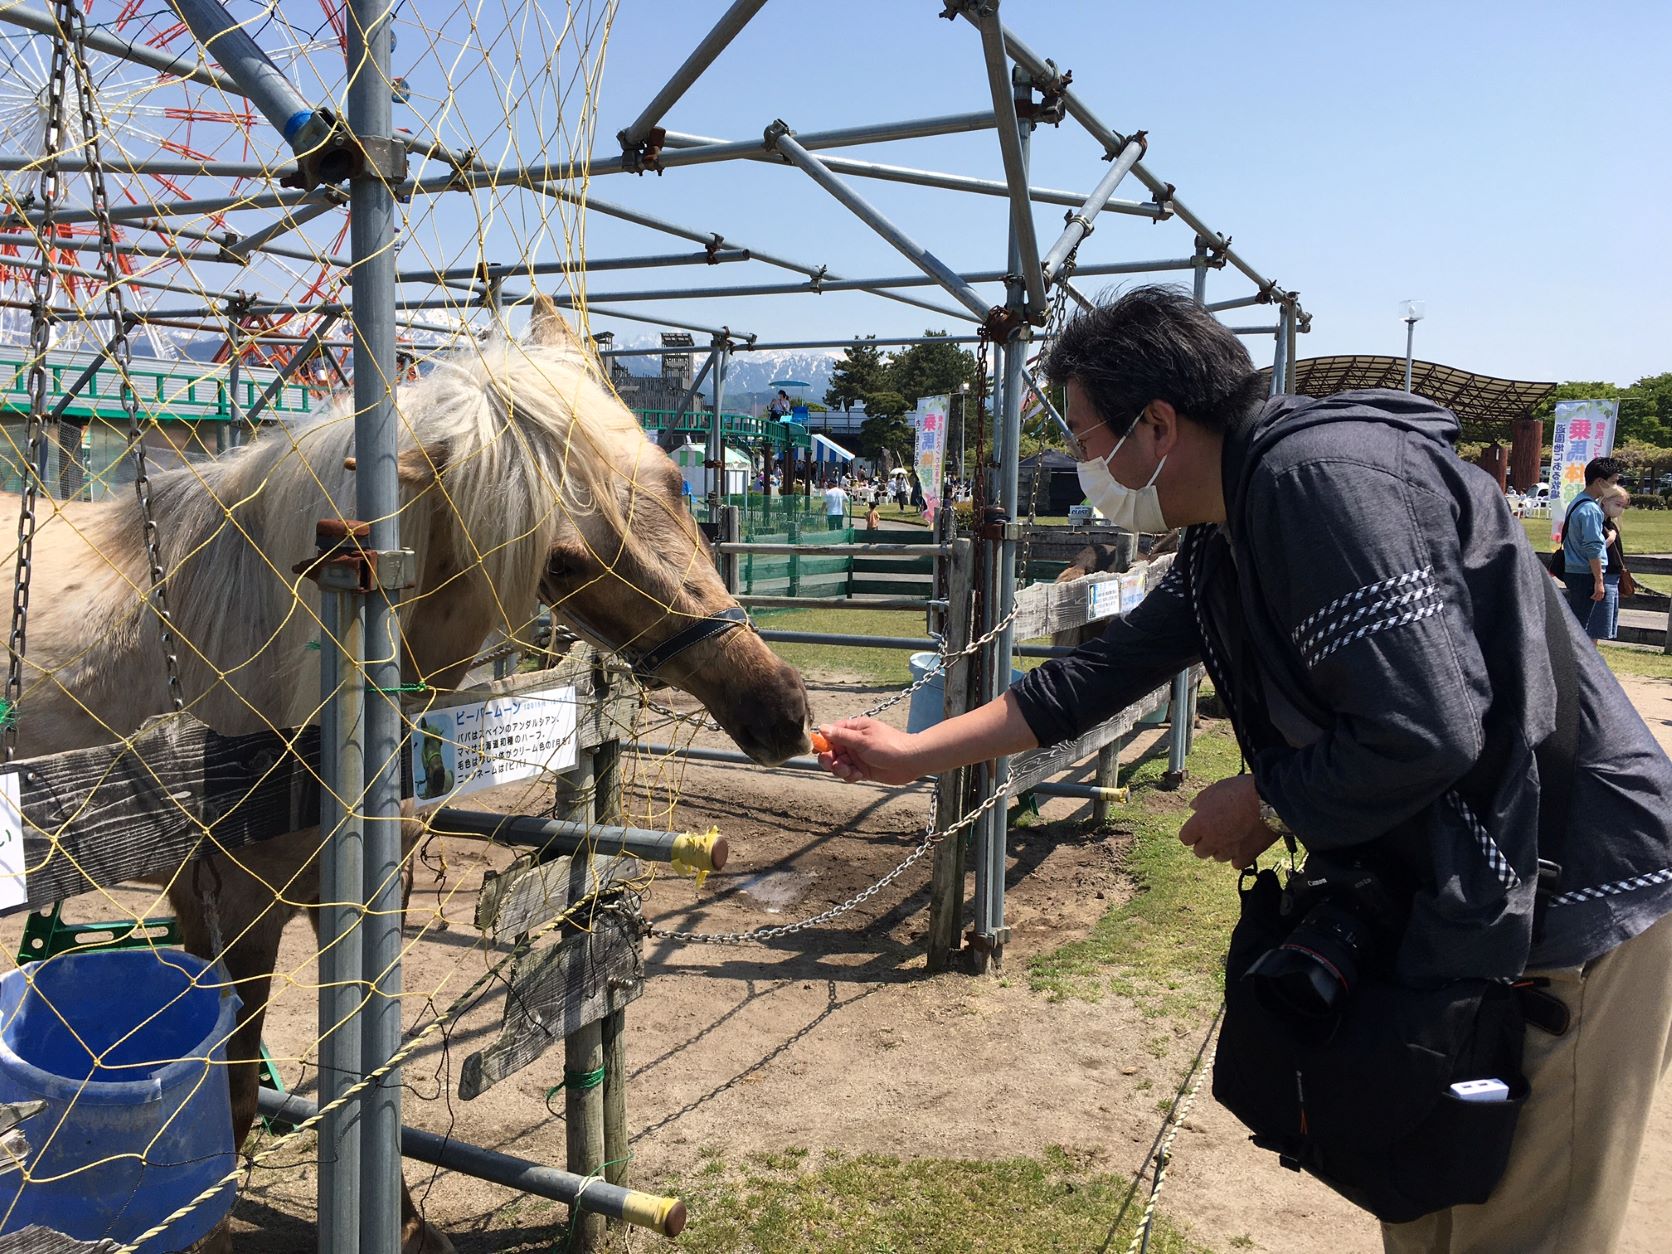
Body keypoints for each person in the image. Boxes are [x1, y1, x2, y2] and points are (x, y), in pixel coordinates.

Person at [816, 287, 1672, 1254]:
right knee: (1427, 1192)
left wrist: (1264, 801)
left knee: (1521, 1223)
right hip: (1460, 894)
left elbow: (1428, 729)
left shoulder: (1320, 482)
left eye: (1089, 435)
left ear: (1159, 424)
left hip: (1567, 893)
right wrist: (911, 753)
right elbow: (1097, 674)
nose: (1086, 464)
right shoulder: (1230, 527)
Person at [1557, 460, 1622, 631]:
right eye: (1613, 482)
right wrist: (1599, 581)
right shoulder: (1591, 509)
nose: (1615, 487)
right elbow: (1593, 548)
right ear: (1600, 481)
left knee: (1576, 625)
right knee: (1580, 629)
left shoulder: (1577, 501)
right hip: (1586, 574)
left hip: (1573, 570)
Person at [1593, 483, 1631, 643]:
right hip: (1603, 575)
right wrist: (1610, 539)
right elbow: (1593, 548)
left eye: (1622, 506)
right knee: (1594, 626)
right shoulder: (1596, 521)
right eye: (1617, 504)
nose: (1620, 509)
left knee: (1602, 627)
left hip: (1613, 577)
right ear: (1604, 501)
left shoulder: (1612, 524)